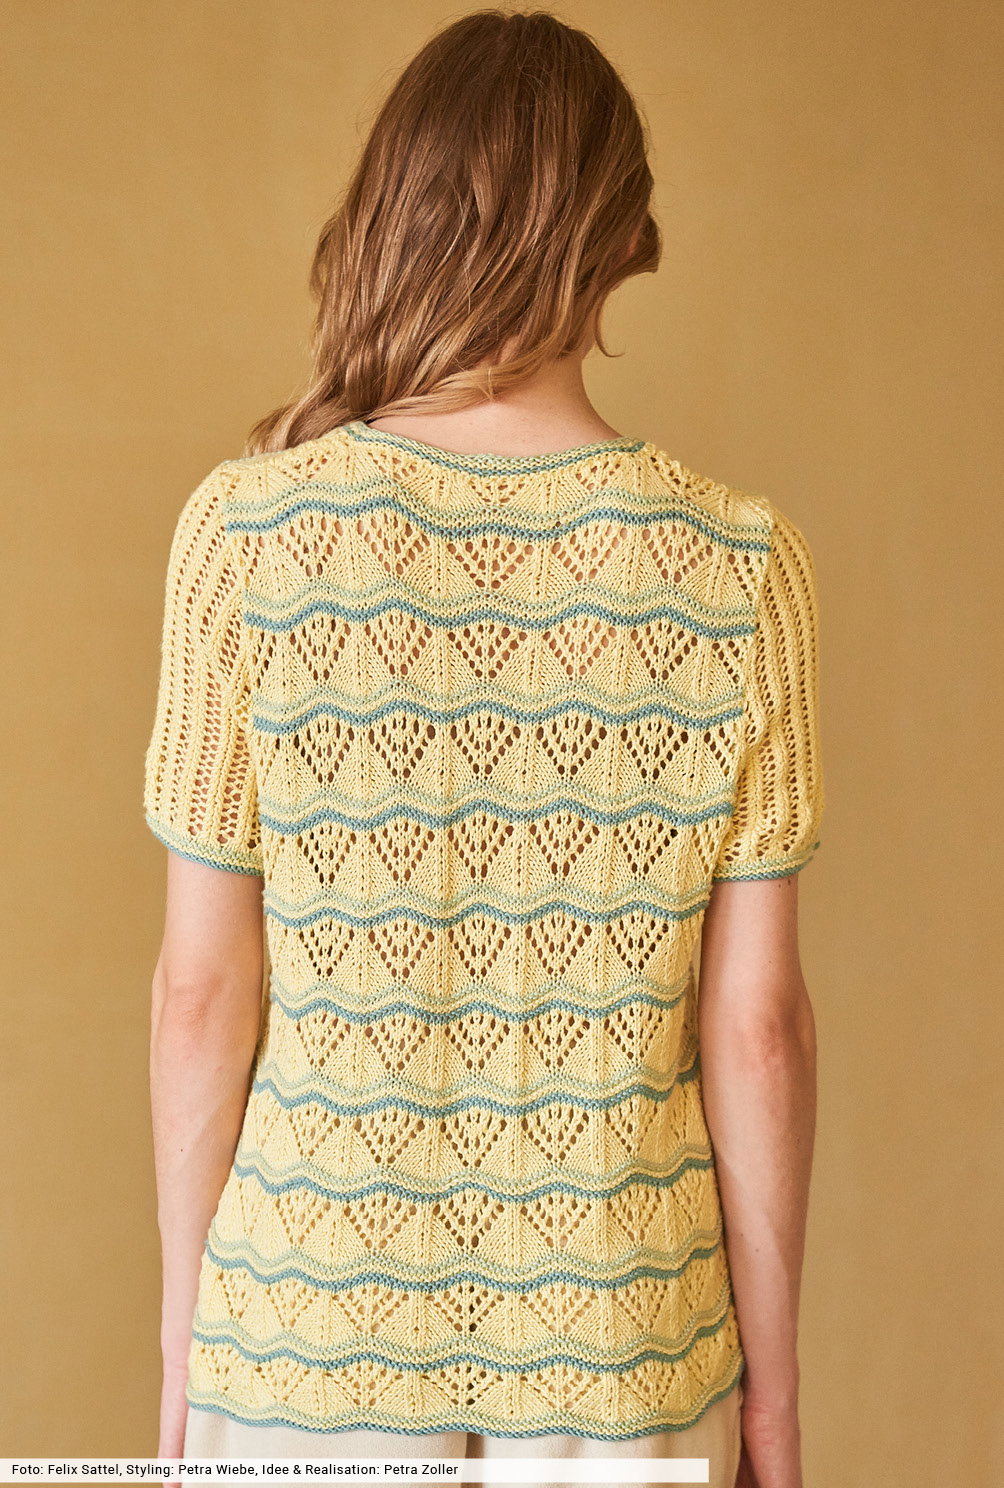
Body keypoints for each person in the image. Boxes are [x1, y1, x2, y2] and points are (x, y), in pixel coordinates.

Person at [143, 11, 824, 1488]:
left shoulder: (245, 536)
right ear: (624, 239)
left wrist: (187, 1348)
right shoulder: (740, 569)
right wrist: (770, 1400)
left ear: (396, 209)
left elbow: (202, 996)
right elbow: (757, 1030)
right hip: (627, 1352)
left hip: (303, 1342)